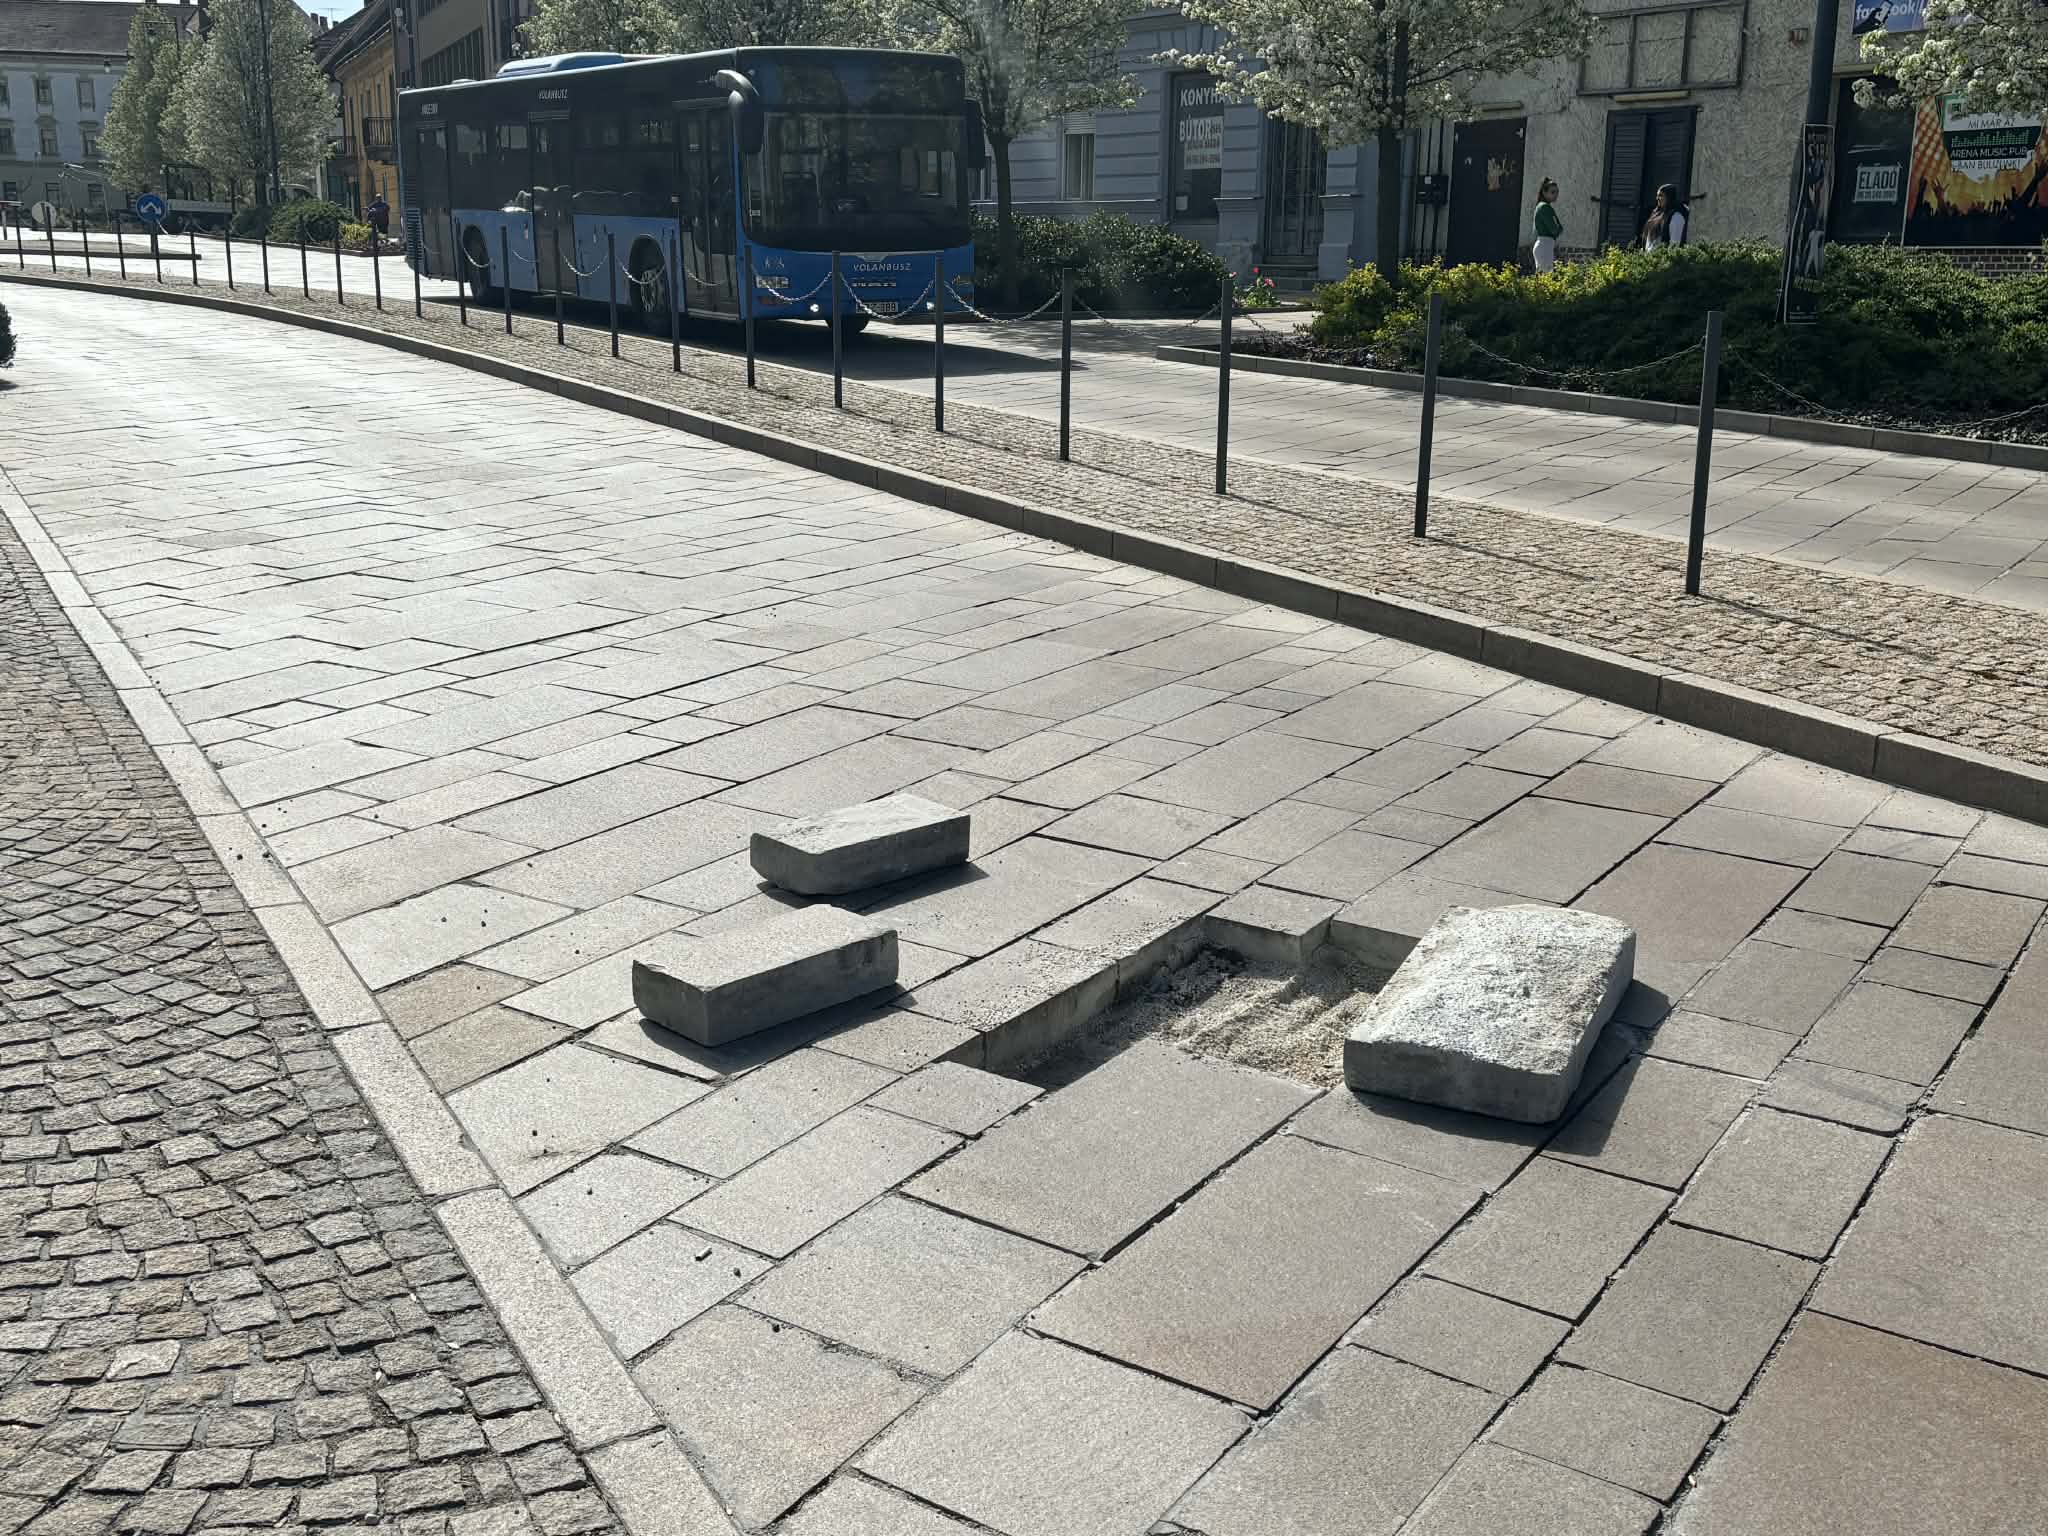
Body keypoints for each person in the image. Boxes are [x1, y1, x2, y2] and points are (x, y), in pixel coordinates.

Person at [1641, 184, 1688, 249]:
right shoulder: (1656, 214)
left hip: (1662, 255)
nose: (1657, 198)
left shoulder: (1676, 217)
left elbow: (1675, 244)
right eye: (1657, 195)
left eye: (1661, 195)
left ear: (1669, 197)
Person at [1531, 178, 1563, 272]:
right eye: (1552, 192)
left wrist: (1558, 229)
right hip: (1544, 245)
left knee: (1544, 276)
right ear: (1544, 192)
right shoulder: (1544, 207)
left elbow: (1558, 227)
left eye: (1557, 192)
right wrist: (1557, 230)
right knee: (1546, 276)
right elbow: (1555, 229)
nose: (1556, 195)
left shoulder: (1543, 206)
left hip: (1545, 245)